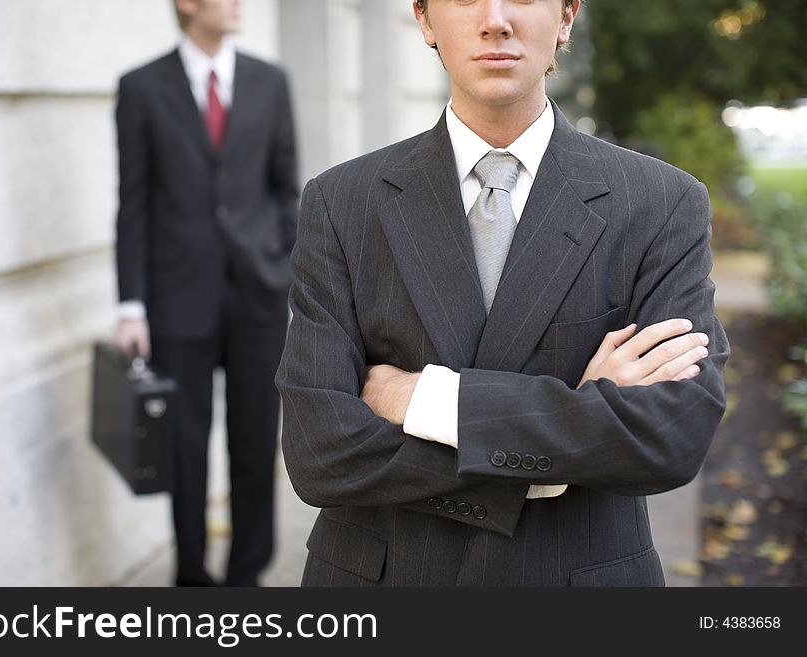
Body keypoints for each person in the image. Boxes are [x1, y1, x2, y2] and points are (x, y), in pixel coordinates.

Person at [275, 0, 728, 586]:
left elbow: (671, 434)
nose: (495, 19)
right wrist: (577, 422)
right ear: (424, 18)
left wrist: (428, 402)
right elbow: (320, 455)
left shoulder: (662, 203)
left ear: (567, 18)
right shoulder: (342, 203)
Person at [113, 0, 298, 587]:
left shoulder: (271, 83)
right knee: (184, 448)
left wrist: (287, 271)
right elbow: (133, 204)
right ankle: (190, 574)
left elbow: (285, 189)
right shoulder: (141, 88)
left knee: (254, 441)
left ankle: (247, 575)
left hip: (258, 297)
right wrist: (130, 305)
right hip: (177, 297)